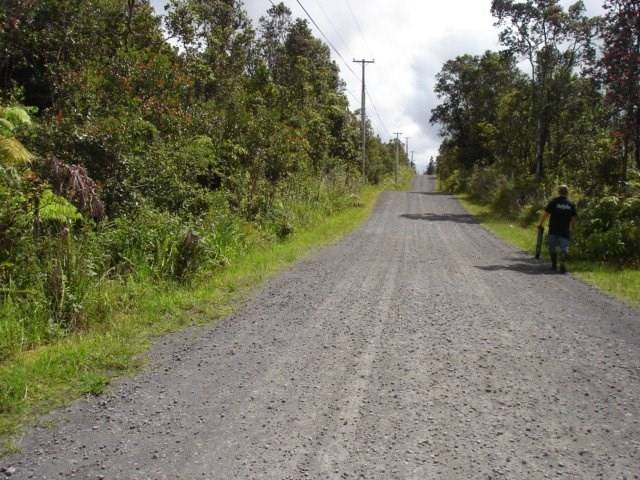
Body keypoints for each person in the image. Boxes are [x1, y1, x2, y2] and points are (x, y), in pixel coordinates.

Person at [538, 185, 577, 273]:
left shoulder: (554, 202)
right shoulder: (571, 204)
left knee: (552, 247)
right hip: (565, 230)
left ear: (559, 192)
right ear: (567, 193)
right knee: (564, 248)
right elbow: (573, 219)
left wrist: (540, 224)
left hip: (553, 229)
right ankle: (563, 258)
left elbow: (546, 214)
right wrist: (573, 228)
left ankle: (554, 264)